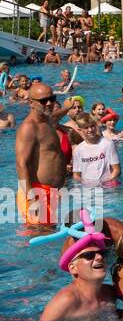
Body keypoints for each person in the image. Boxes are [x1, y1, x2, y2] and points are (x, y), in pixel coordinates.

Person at [15, 81, 68, 225]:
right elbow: (21, 165)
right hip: (37, 193)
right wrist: (32, 199)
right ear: (31, 103)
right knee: (39, 237)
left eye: (53, 98)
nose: (49, 103)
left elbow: (55, 116)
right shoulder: (29, 128)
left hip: (51, 193)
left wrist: (67, 107)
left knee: (47, 235)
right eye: (44, 100)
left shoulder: (47, 120)